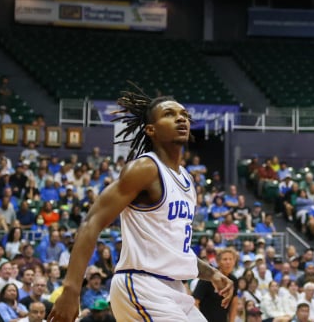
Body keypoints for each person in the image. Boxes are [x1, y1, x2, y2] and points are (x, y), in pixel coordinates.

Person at [46, 91, 233, 322]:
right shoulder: (145, 169)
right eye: (169, 114)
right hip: (141, 284)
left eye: (184, 114)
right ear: (151, 129)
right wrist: (71, 290)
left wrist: (212, 273)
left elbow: (173, 253)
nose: (181, 118)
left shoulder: (186, 179)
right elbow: (91, 223)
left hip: (174, 289)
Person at [194, 249, 241, 322]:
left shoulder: (233, 280)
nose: (228, 262)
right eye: (225, 259)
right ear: (218, 262)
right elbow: (195, 302)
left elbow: (234, 304)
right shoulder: (208, 278)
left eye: (231, 259)